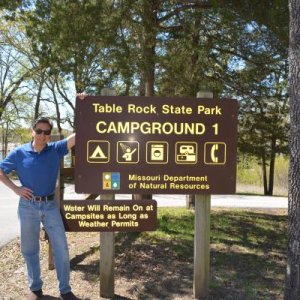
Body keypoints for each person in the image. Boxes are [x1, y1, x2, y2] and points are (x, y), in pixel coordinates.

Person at [0, 117, 78, 300]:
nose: (43, 135)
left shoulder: (55, 150)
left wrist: (84, 105)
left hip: (50, 205)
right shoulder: (19, 153)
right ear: (32, 131)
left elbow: (77, 136)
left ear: (49, 135)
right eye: (39, 131)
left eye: (47, 132)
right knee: (30, 248)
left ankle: (65, 290)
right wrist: (16, 188)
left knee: (61, 247)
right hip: (28, 206)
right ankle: (35, 288)